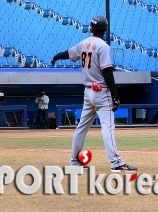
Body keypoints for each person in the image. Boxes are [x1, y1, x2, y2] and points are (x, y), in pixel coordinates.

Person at [51, 15, 137, 173]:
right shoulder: (103, 46)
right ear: (106, 29)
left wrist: (57, 56)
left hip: (88, 92)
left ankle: (75, 163)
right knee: (108, 128)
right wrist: (115, 95)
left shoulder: (84, 43)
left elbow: (69, 53)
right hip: (101, 92)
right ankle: (117, 163)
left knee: (81, 127)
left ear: (91, 28)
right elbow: (107, 72)